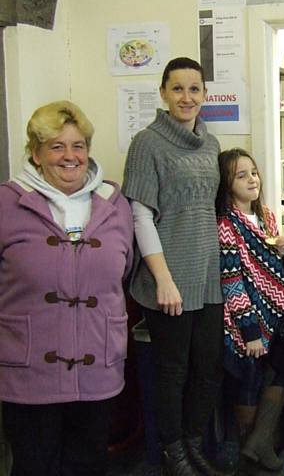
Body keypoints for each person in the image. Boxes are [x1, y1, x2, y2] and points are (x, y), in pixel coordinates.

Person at [0, 101, 134, 475]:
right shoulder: (6, 203)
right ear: (36, 154)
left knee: (89, 463)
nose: (70, 156)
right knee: (34, 465)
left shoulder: (114, 203)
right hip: (28, 371)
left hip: (97, 366)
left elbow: (126, 268)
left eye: (78, 146)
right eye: (57, 146)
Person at [122, 57, 225, 476]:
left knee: (208, 369)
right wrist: (163, 280)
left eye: (195, 89)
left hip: (206, 275)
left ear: (204, 95)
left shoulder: (211, 143)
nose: (187, 97)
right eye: (178, 88)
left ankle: (194, 442)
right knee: (173, 371)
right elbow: (141, 215)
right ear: (163, 93)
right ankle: (173, 452)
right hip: (168, 278)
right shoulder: (146, 143)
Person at [216, 147, 284, 474]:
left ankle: (259, 442)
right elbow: (232, 281)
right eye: (241, 175)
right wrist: (250, 332)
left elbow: (275, 267)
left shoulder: (266, 216)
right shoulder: (226, 225)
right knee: (249, 381)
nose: (252, 179)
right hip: (244, 321)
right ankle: (246, 456)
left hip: (274, 314)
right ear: (226, 183)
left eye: (253, 172)